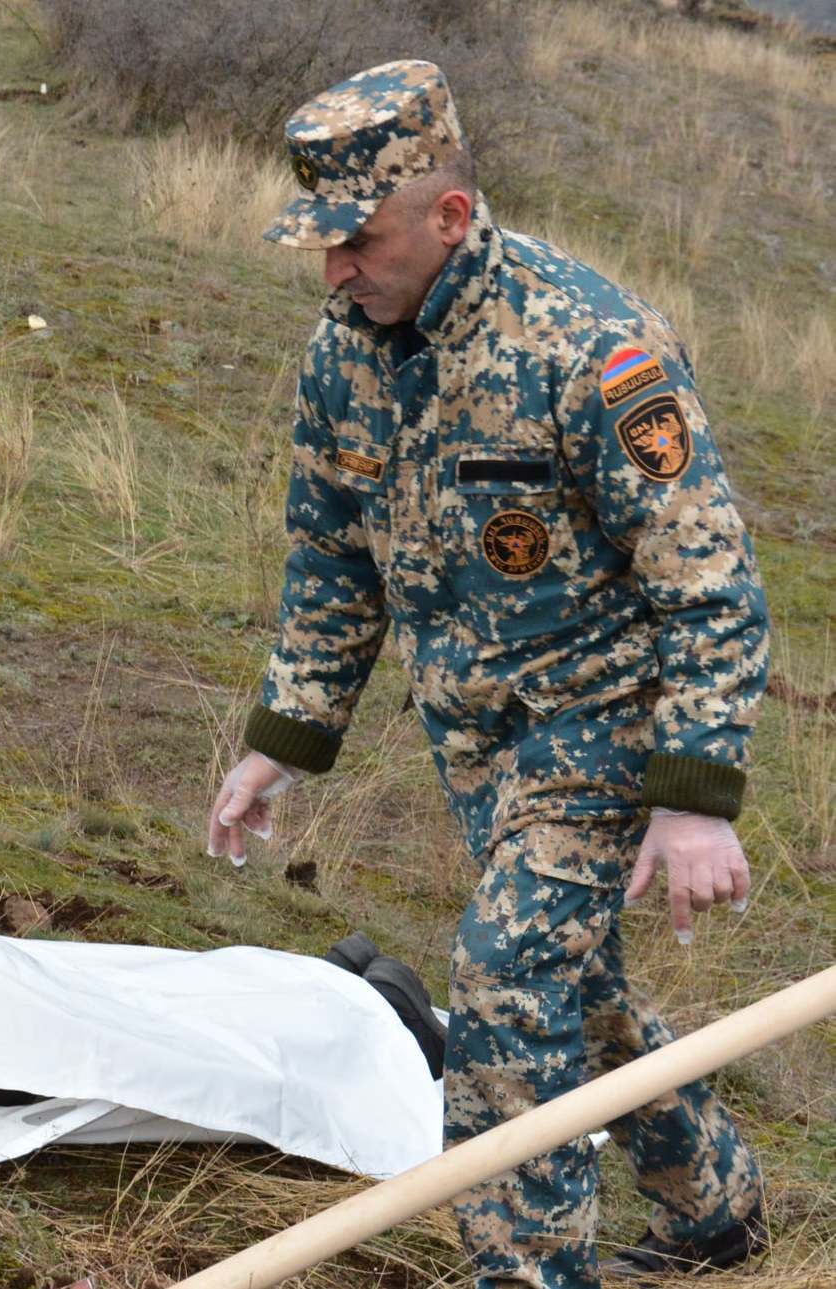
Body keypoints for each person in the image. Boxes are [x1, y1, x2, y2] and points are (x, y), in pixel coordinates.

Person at [205, 62, 769, 1286]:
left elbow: (710, 583)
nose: (334, 270)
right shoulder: (345, 349)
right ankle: (715, 1205)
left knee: (507, 990)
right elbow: (331, 555)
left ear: (450, 217)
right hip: (478, 742)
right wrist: (282, 735)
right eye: (322, 245)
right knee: (577, 985)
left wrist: (690, 795)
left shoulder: (590, 347)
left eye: (357, 238)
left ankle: (525, 1274)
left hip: (607, 722)